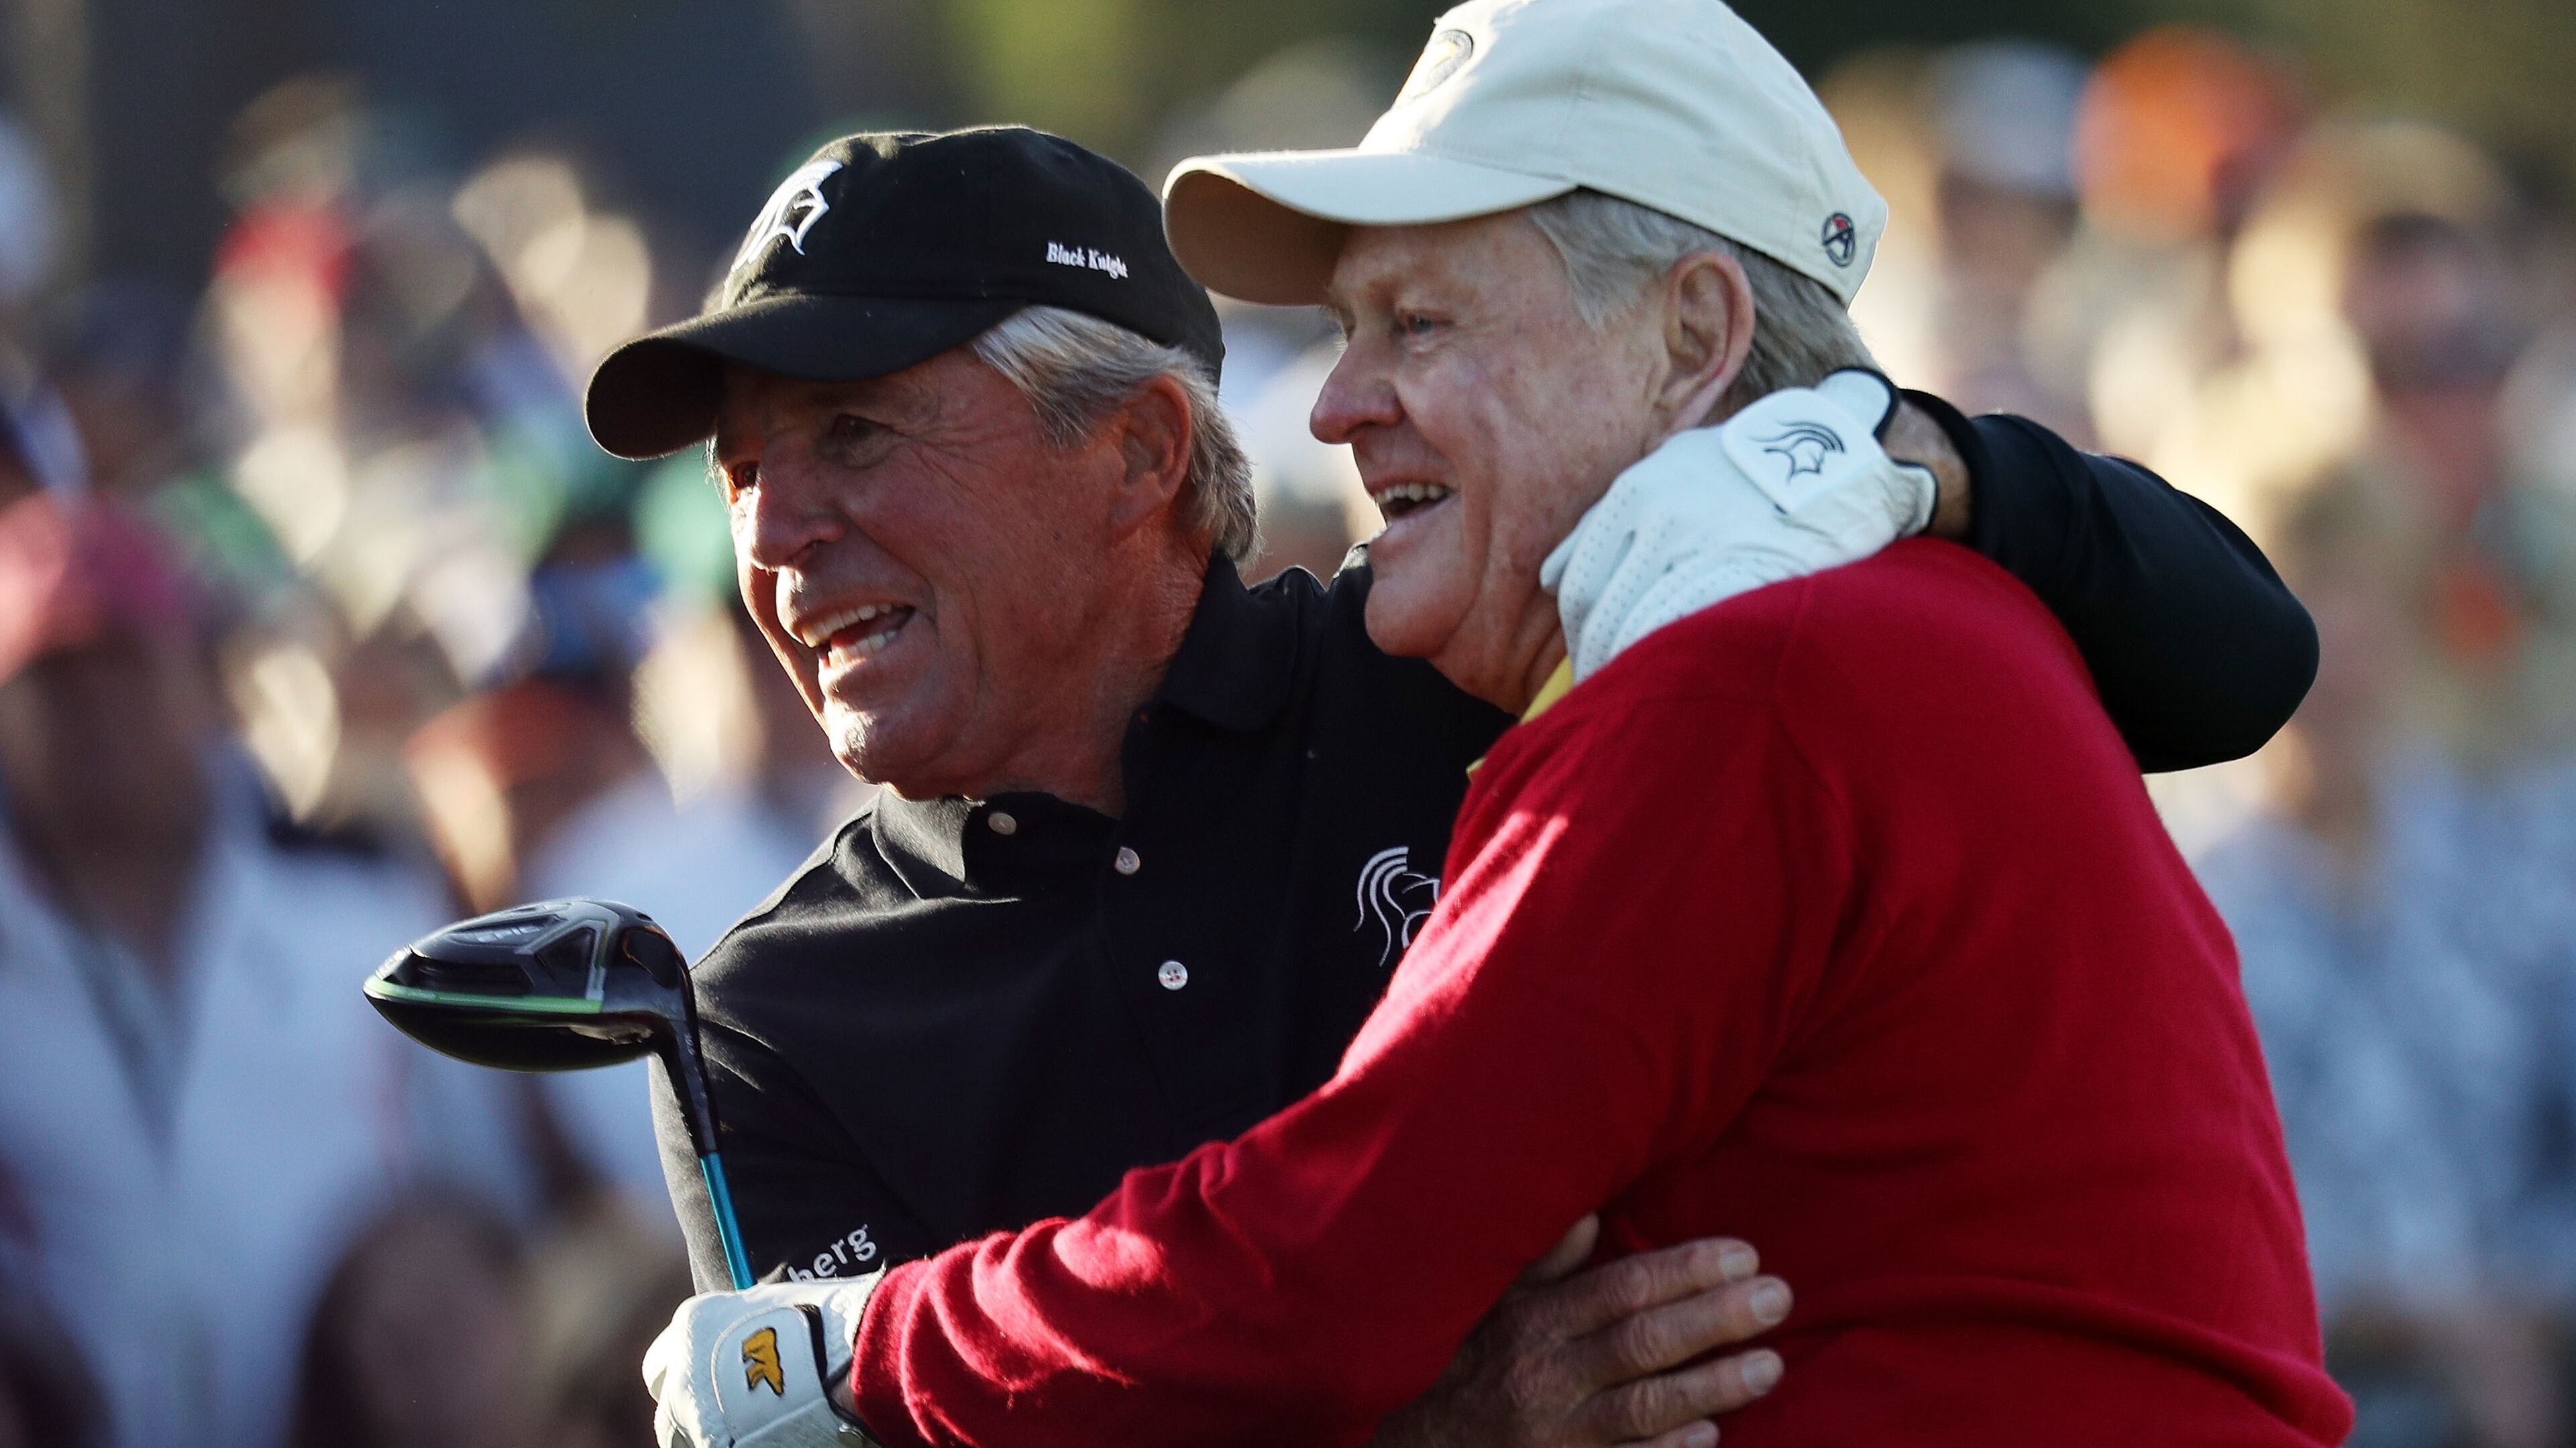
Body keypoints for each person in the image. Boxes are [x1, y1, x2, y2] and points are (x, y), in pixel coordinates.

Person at [594, 7, 2327, 1439]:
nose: (1336, 403)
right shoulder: (775, 1016)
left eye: (1417, 322)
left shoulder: (1650, 680)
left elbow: (1328, 1258)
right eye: (741, 473)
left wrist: (1902, 447)